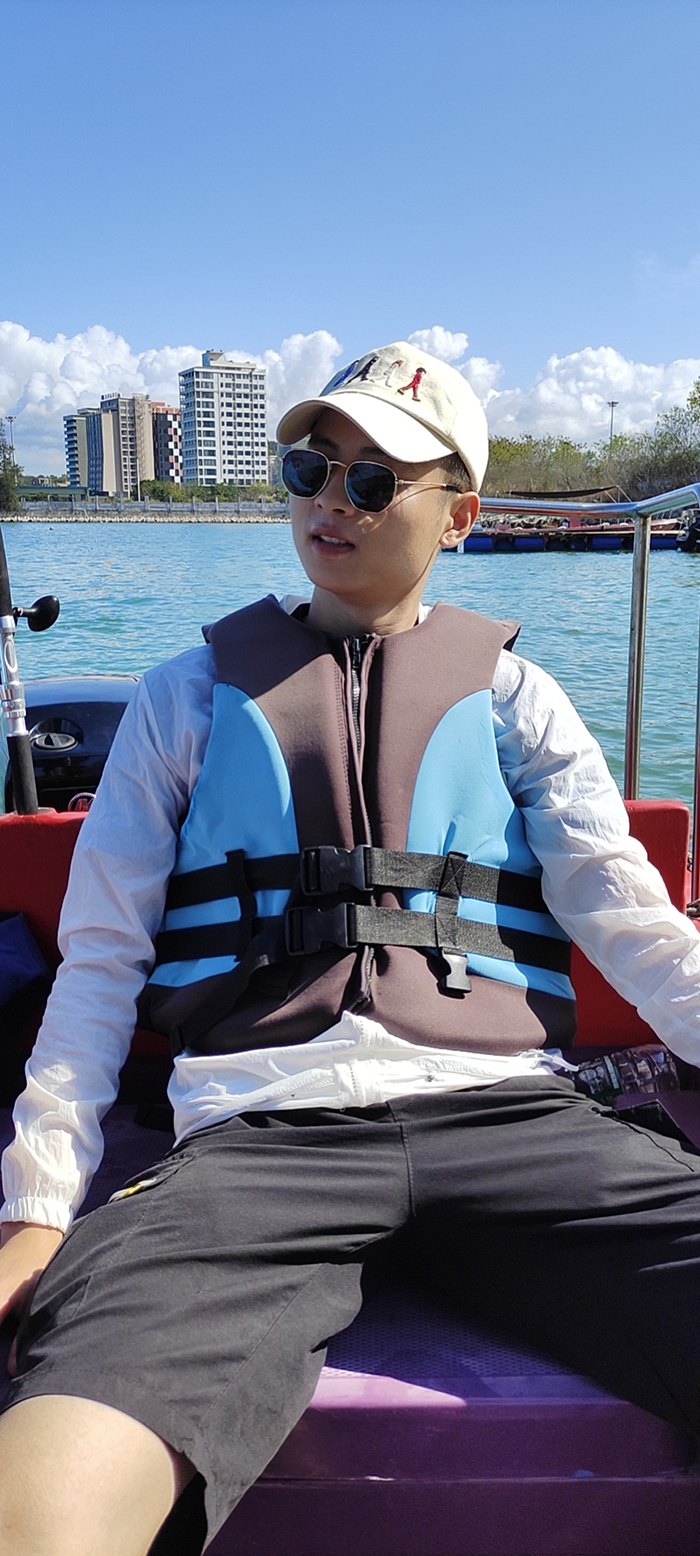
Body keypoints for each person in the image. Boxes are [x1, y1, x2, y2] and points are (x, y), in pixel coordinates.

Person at [2, 340, 700, 1556]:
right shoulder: (182, 698)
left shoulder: (517, 699)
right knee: (50, 1472)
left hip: (512, 1116)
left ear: (459, 516)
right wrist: (39, 1205)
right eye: (310, 469)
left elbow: (632, 924)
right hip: (255, 1137)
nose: (332, 500)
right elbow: (101, 959)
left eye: (375, 480)